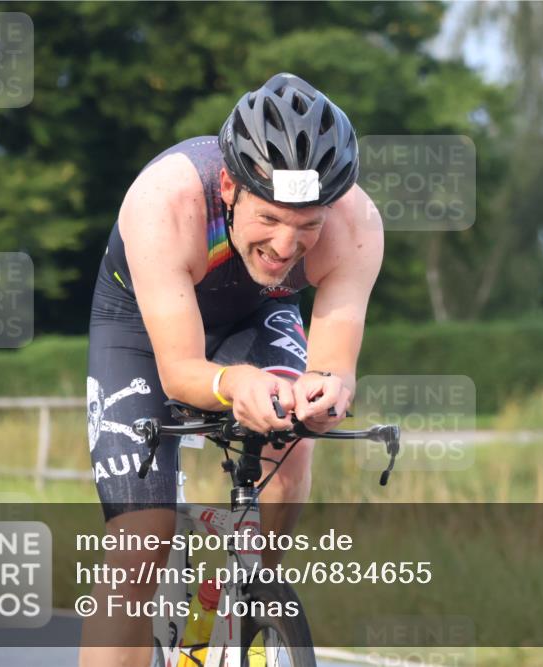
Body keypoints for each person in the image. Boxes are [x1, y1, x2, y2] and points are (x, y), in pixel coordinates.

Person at [79, 72, 383, 665]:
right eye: (269, 218)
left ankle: (253, 597)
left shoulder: (356, 225)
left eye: (307, 225)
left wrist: (326, 394)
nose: (287, 245)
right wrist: (232, 382)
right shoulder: (164, 202)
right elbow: (181, 372)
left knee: (295, 438)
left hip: (258, 311)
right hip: (141, 325)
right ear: (229, 186)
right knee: (142, 541)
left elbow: (334, 367)